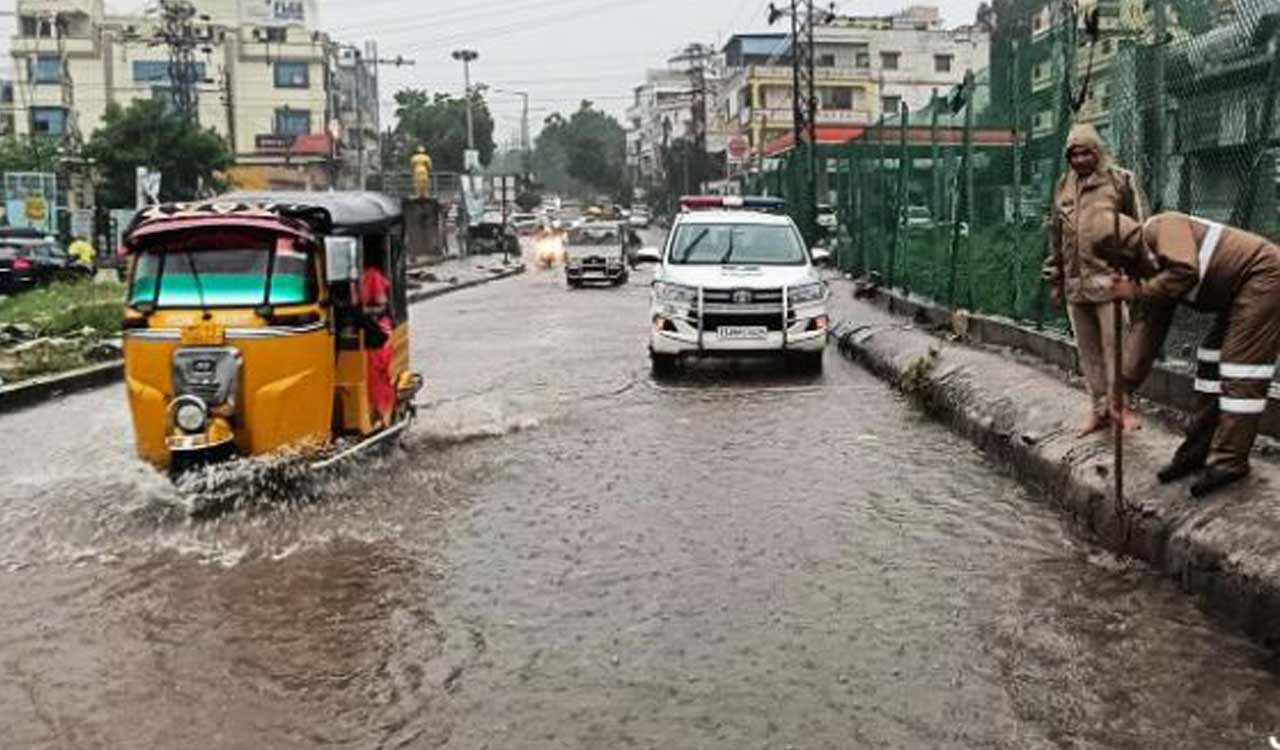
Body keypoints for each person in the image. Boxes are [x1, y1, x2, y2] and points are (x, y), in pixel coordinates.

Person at [1103, 211, 1280, 498]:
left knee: (1240, 371)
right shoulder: (1148, 277)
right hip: (1235, 295)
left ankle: (1229, 461)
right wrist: (1123, 388)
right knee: (1210, 362)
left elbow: (1185, 271)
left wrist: (1138, 293)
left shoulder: (1163, 227)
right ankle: (1195, 453)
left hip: (1264, 278)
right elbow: (1146, 335)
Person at [1043, 123, 1147, 436]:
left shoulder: (1120, 181)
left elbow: (1140, 231)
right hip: (1077, 286)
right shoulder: (1064, 184)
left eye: (1086, 152)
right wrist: (1056, 278)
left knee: (1117, 350)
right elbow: (1056, 234)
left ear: (1098, 152)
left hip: (1110, 283)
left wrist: (1135, 277)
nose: (1080, 159)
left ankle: (1123, 408)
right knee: (1088, 354)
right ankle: (1099, 410)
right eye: (1073, 154)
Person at [361, 263, 396, 428]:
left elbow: (380, 304)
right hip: (372, 334)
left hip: (377, 335)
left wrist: (363, 313)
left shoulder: (372, 276)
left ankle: (381, 415)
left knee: (378, 374)